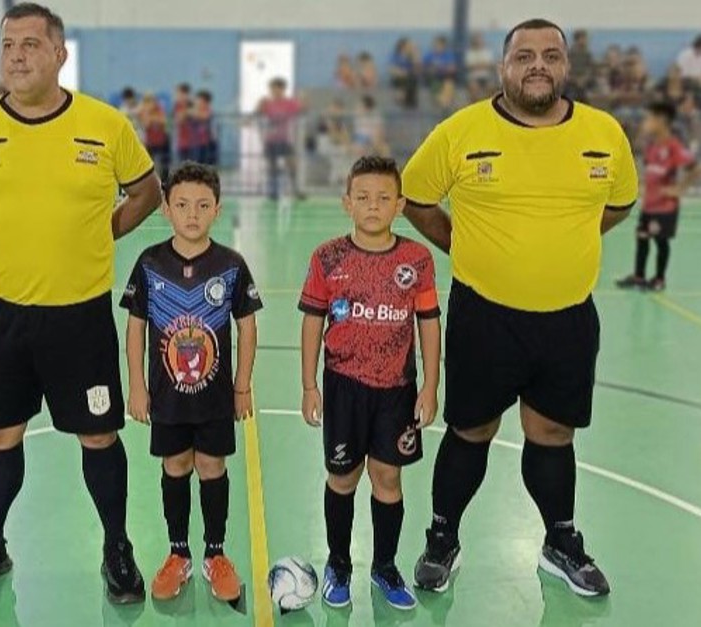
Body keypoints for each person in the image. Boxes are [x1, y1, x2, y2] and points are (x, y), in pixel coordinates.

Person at [0, 2, 162, 605]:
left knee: (98, 438)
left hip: (81, 317)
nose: (16, 55)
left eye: (30, 44)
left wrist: (108, 229)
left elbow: (148, 189)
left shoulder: (104, 125)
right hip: (5, 318)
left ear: (59, 55)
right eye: (8, 44)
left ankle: (116, 545)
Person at [401, 18, 639, 598]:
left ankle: (560, 541)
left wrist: (566, 240)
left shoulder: (604, 133)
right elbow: (416, 199)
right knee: (470, 429)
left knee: (554, 432)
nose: (538, 65)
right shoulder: (462, 130)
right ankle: (442, 537)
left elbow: (619, 205)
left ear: (565, 66)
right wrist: (467, 246)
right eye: (524, 55)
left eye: (550, 55)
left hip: (567, 320)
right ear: (503, 66)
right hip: (486, 318)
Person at [299, 155, 440, 610]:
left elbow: (429, 325)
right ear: (347, 203)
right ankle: (338, 563)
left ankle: (384, 566)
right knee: (342, 477)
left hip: (396, 390)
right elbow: (311, 324)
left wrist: (430, 386)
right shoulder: (327, 257)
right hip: (342, 387)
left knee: (388, 477)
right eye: (363, 198)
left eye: (383, 198)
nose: (373, 206)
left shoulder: (417, 260)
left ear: (400, 205)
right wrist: (309, 385)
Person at [120, 162, 261, 603]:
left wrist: (242, 386)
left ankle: (215, 553)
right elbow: (135, 327)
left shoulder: (231, 265)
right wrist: (138, 386)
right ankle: (178, 552)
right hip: (167, 397)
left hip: (216, 397)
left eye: (202, 205)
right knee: (175, 466)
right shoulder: (150, 263)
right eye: (182, 205)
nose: (192, 214)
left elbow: (248, 328)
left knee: (211, 467)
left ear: (217, 210)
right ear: (166, 209)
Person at [616, 101, 699, 291]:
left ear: (662, 120)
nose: (646, 122)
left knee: (661, 242)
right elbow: (650, 170)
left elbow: (695, 168)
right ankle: (639, 276)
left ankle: (659, 279)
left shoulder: (673, 147)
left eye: (650, 118)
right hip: (649, 205)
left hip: (665, 207)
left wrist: (680, 189)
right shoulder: (652, 146)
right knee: (642, 238)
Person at [257, 77, 306, 201]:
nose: (274, 92)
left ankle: (295, 189)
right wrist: (259, 105)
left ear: (282, 89)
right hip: (270, 139)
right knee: (272, 166)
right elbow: (257, 113)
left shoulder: (290, 103)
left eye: (276, 89)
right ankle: (273, 192)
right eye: (272, 89)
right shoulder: (268, 103)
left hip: (284, 139)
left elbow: (302, 109)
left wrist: (303, 100)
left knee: (291, 164)